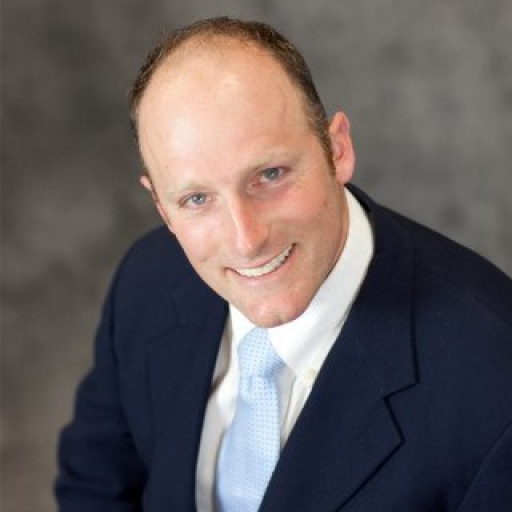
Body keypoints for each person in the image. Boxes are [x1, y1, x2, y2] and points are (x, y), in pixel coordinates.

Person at [55, 17, 512, 511]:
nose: (247, 240)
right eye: (196, 199)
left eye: (270, 175)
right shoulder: (146, 282)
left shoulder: (494, 380)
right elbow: (94, 490)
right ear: (162, 207)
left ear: (337, 150)